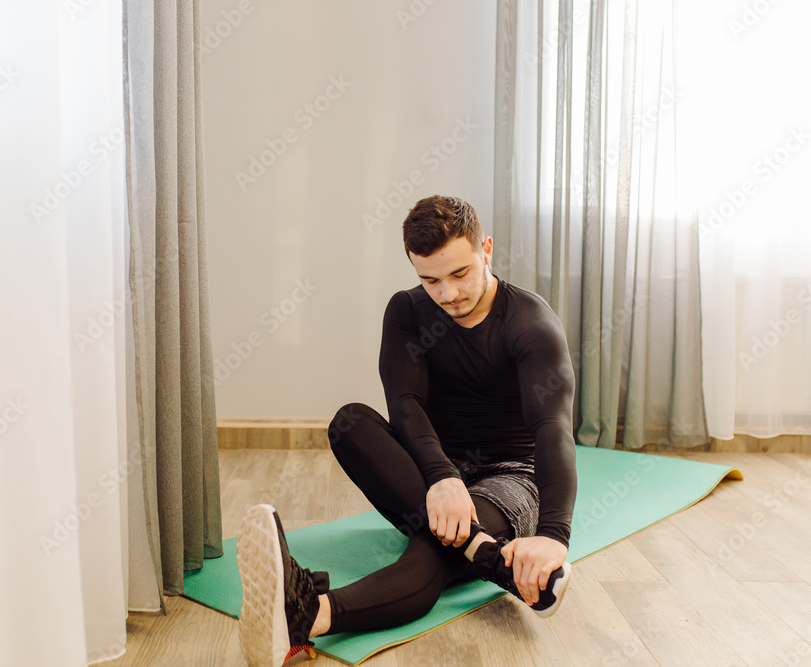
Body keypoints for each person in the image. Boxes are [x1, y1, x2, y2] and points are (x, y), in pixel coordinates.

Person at [236, 195, 578, 667]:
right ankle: (485, 553)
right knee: (349, 421)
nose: (448, 294)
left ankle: (307, 615)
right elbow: (405, 403)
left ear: (487, 250)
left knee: (430, 555)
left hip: (508, 477)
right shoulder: (408, 311)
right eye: (430, 280)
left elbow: (553, 429)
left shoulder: (530, 324)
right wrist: (441, 477)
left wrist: (553, 537)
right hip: (428, 470)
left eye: (460, 274)